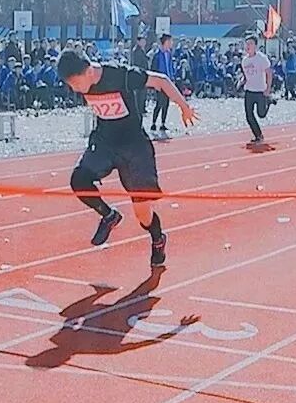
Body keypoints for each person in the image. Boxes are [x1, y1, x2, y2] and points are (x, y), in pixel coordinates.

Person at [58, 48, 196, 267]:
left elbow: (161, 80)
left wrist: (184, 106)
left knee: (143, 214)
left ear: (89, 72)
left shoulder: (120, 75)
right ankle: (109, 215)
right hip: (105, 143)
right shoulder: (83, 81)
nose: (74, 89)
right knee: (79, 180)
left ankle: (158, 238)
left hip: (134, 147)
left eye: (74, 83)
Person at [240, 34, 273, 145]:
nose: (248, 46)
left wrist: (268, 88)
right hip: (249, 91)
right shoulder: (244, 61)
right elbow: (246, 75)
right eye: (247, 44)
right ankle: (258, 135)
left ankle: (268, 102)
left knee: (261, 114)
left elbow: (269, 73)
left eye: (250, 44)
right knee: (249, 115)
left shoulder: (261, 58)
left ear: (255, 46)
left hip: (260, 90)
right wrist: (242, 81)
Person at [149, 33, 174, 135]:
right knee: (159, 103)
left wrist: (172, 79)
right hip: (159, 83)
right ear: (165, 42)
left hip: (168, 82)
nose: (171, 43)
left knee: (166, 103)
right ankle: (153, 122)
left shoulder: (169, 54)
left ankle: (163, 123)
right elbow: (153, 70)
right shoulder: (157, 55)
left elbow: (170, 68)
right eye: (170, 41)